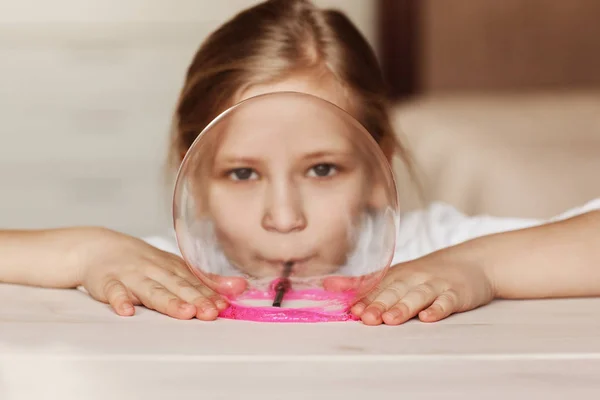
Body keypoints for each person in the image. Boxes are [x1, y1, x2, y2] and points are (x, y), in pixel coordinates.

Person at [1, 0, 599, 326]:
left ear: (378, 167)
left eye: (322, 170)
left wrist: (481, 270)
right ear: (194, 177)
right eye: (242, 173)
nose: (283, 218)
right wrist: (84, 251)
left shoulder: (433, 250)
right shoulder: (167, 273)